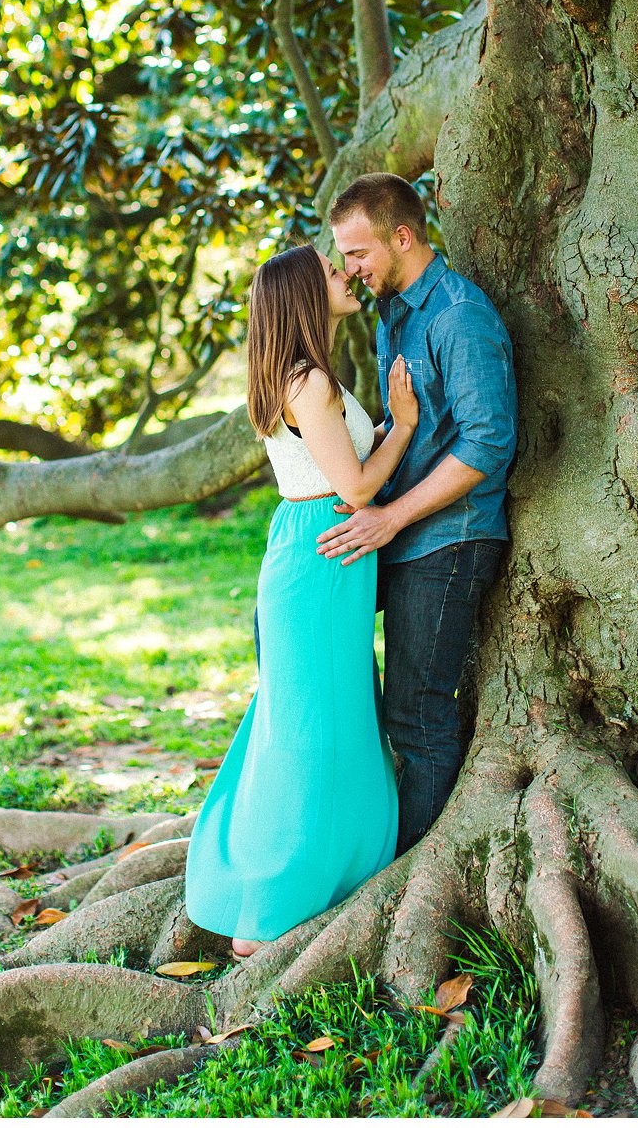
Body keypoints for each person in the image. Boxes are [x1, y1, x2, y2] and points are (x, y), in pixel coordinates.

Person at [185, 244, 416, 957]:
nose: (344, 273)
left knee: (333, 713)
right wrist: (402, 424)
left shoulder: (300, 377)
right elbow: (355, 489)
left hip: (321, 555)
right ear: (302, 297)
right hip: (321, 555)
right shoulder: (308, 381)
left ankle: (322, 873)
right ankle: (266, 903)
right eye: (329, 269)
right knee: (308, 726)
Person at [318, 173, 517, 853]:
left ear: (402, 237)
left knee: (419, 719)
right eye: (343, 257)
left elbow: (488, 440)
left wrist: (390, 516)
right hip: (398, 532)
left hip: (449, 540)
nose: (349, 269)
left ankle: (410, 881)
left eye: (358, 253)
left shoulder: (460, 314)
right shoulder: (393, 311)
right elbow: (411, 424)